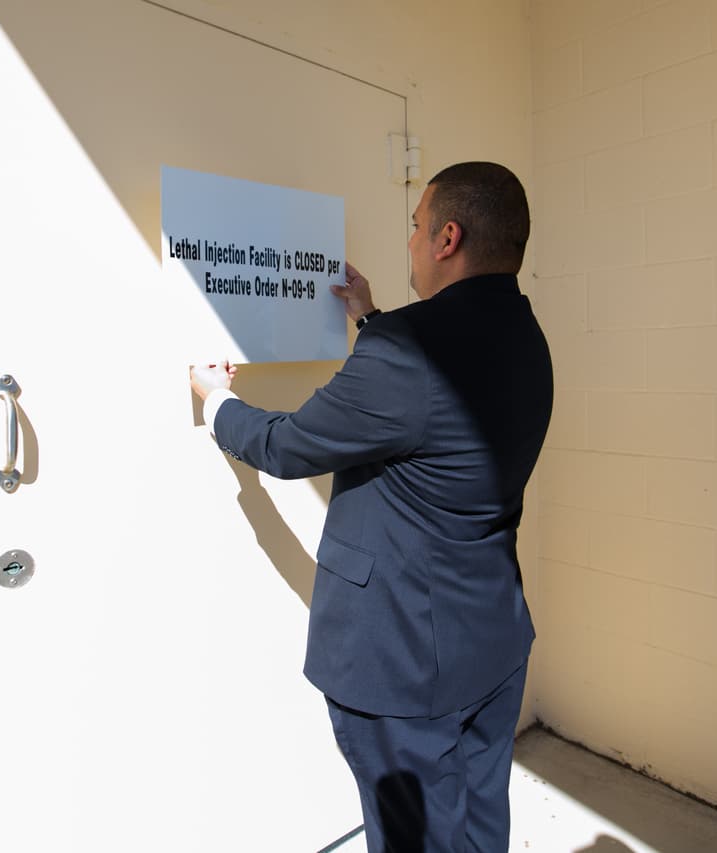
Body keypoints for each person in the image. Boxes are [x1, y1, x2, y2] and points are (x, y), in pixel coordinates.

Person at [190, 162, 553, 852]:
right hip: (494, 638)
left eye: (416, 226)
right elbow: (435, 412)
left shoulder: (409, 352)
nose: (410, 239)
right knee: (479, 828)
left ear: (448, 238)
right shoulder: (522, 332)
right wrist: (372, 320)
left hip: (407, 663)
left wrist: (218, 403)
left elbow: (292, 446)